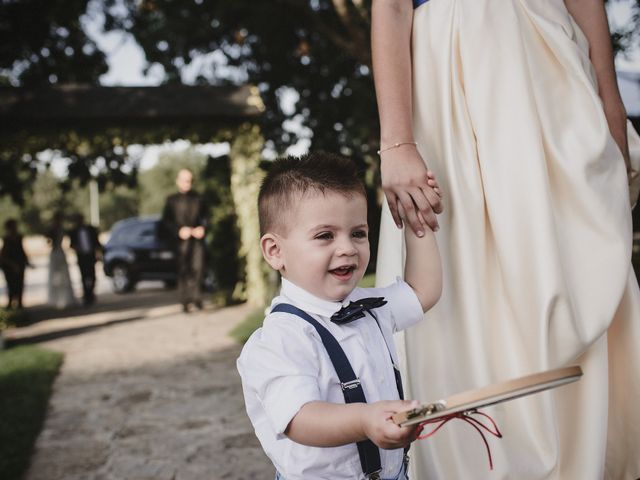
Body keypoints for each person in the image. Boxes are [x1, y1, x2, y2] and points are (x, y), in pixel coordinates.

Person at [372, 1, 640, 478]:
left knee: (569, 263)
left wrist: (609, 96)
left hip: (547, 65)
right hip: (447, 72)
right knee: (463, 279)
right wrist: (396, 142)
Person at [237, 152, 442, 480]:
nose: (347, 248)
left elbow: (423, 291)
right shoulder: (281, 337)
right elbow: (300, 418)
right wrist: (364, 420)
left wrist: (418, 219)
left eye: (358, 233)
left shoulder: (370, 307)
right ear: (275, 251)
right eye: (325, 236)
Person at [161, 168, 208, 313]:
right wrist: (178, 231)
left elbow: (206, 218)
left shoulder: (199, 198)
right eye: (185, 180)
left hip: (197, 242)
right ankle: (185, 301)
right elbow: (165, 222)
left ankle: (197, 298)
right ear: (178, 181)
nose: (188, 183)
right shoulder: (171, 200)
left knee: (198, 268)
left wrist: (203, 228)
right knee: (183, 270)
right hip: (180, 242)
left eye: (190, 180)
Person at [69, 214, 102, 306]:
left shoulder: (90, 229)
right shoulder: (74, 231)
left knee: (93, 276)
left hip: (91, 256)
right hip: (81, 257)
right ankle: (87, 296)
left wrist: (98, 254)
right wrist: (77, 248)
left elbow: (96, 243)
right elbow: (72, 245)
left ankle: (91, 293)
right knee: (84, 277)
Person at [47, 212, 76, 309]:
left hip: (60, 253)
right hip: (56, 253)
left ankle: (65, 299)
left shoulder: (61, 229)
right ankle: (56, 299)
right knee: (56, 276)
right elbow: (48, 241)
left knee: (63, 276)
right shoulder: (52, 230)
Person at [0, 219, 30, 309]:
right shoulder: (7, 239)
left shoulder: (19, 237)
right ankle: (11, 302)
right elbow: (4, 254)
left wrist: (26, 261)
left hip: (19, 263)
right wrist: (12, 265)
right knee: (11, 284)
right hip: (9, 265)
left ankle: (19, 303)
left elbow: (21, 250)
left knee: (20, 283)